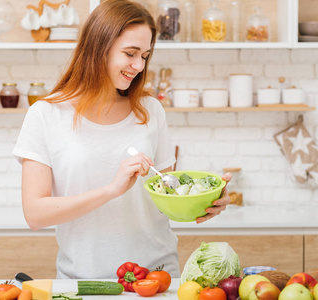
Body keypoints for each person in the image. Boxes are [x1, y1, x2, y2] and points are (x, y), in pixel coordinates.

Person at [13, 0, 231, 279]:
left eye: (145, 55)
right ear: (97, 48)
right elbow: (35, 214)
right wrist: (111, 190)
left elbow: (165, 195)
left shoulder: (150, 109)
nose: (139, 65)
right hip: (83, 279)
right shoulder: (46, 114)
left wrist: (207, 201)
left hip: (157, 276)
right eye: (130, 53)